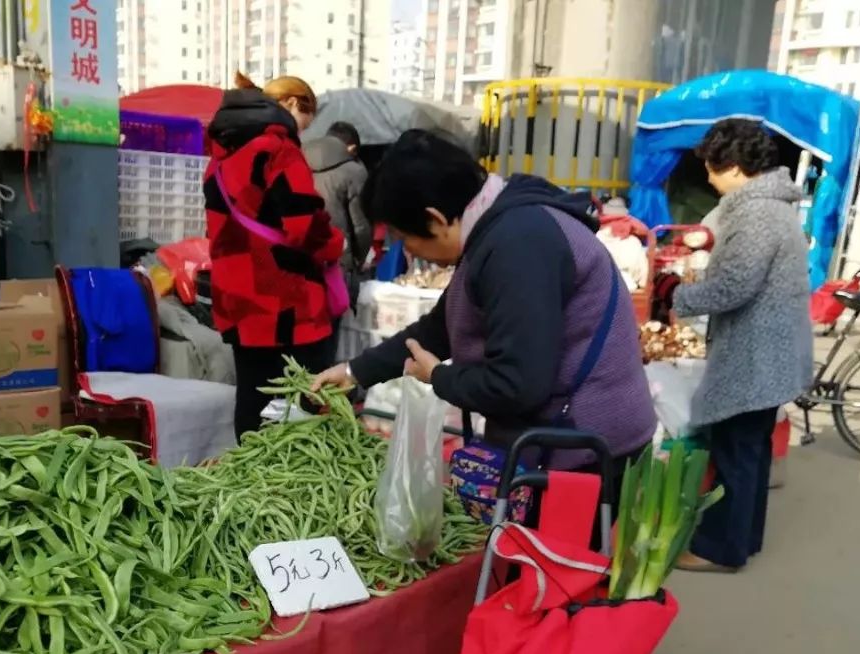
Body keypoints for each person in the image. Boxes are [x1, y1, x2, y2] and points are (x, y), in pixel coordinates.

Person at [310, 129, 656, 494]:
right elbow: (438, 329)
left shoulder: (518, 243)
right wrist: (354, 371)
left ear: (436, 218)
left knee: (552, 552)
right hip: (557, 440)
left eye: (403, 236)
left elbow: (518, 385)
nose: (408, 249)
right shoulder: (496, 228)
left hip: (583, 453)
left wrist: (441, 378)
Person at [670, 118, 812, 573]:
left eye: (711, 169)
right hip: (770, 349)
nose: (708, 178)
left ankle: (720, 549)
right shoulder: (774, 205)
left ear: (731, 166)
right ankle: (743, 539)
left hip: (755, 352)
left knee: (735, 452)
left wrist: (679, 294)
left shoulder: (754, 212)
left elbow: (733, 286)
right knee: (750, 450)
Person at [206, 72, 345, 439]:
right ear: (293, 105)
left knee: (253, 398)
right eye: (307, 118)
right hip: (285, 304)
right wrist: (336, 244)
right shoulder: (279, 150)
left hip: (238, 302)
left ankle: (250, 482)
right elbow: (304, 226)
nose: (304, 130)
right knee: (300, 405)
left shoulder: (220, 156)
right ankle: (292, 487)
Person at [303, 121, 372, 307]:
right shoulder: (354, 171)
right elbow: (361, 226)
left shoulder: (297, 161)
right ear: (351, 147)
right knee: (336, 325)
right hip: (339, 261)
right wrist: (359, 258)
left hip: (299, 260)